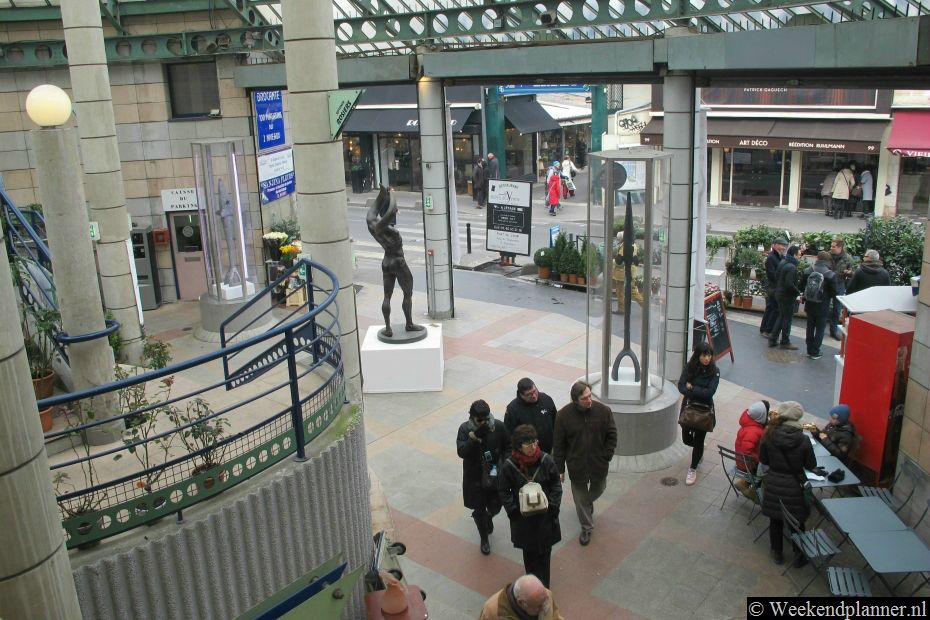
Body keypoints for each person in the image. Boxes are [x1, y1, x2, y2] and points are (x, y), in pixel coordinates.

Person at [552, 381, 617, 546]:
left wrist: (607, 455)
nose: (589, 400)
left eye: (590, 396)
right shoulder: (563, 416)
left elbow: (612, 434)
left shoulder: (604, 411)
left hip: (598, 464)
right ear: (575, 400)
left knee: (599, 488)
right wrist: (560, 468)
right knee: (579, 499)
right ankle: (586, 528)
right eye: (584, 398)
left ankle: (586, 505)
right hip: (577, 466)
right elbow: (559, 445)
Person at [499, 424, 562, 588]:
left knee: (545, 555)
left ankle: (544, 589)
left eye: (535, 442)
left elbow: (556, 484)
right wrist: (513, 511)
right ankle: (532, 587)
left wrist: (553, 507)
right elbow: (504, 490)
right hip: (524, 519)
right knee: (530, 555)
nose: (533, 447)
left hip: (545, 515)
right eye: (528, 444)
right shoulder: (509, 466)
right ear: (519, 446)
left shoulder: (545, 459)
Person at [759, 400, 816, 566]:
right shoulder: (803, 439)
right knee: (797, 522)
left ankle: (777, 553)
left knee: (775, 521)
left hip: (774, 482)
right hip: (795, 486)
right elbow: (810, 465)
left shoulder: (769, 434)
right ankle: (799, 556)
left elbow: (763, 459)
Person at [366, 186, 426, 338]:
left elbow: (371, 215)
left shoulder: (374, 229)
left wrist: (382, 195)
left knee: (387, 296)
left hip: (386, 261)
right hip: (398, 262)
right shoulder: (394, 233)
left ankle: (388, 328)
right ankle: (409, 323)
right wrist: (390, 195)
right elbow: (389, 214)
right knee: (408, 293)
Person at [457, 400, 509, 555]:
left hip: (493, 470)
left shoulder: (498, 426)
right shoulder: (465, 430)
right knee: (478, 509)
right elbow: (462, 452)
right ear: (472, 417)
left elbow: (508, 446)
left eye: (486, 419)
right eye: (480, 420)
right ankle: (484, 537)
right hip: (474, 475)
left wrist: (505, 463)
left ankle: (489, 516)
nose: (484, 423)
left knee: (497, 503)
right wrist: (473, 438)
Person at [677, 342, 720, 486]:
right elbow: (681, 386)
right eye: (704, 355)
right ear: (698, 355)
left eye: (709, 355)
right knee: (686, 438)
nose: (707, 358)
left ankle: (693, 468)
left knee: (699, 440)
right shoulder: (690, 367)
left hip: (704, 410)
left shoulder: (715, 371)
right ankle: (699, 448)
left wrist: (693, 387)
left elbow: (710, 393)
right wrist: (697, 390)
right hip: (688, 407)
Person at [799, 250, 838, 360]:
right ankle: (815, 351)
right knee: (820, 329)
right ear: (827, 261)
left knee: (810, 327)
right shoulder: (830, 275)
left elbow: (801, 286)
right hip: (823, 305)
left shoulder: (808, 271)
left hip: (810, 303)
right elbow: (834, 293)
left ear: (817, 258)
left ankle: (809, 349)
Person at [505, 378, 558, 454]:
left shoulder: (546, 399)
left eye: (534, 391)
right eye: (529, 394)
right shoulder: (512, 410)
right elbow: (509, 436)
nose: (533, 396)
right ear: (521, 395)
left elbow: (555, 422)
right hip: (528, 454)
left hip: (550, 449)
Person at [479, 574, 564, 620]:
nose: (544, 608)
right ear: (521, 602)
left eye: (544, 601)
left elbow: (555, 617)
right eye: (537, 606)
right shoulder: (491, 611)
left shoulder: (545, 595)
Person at [733, 400, 769, 497]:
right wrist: (760, 460)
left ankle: (744, 483)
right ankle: (754, 493)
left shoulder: (749, 424)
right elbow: (746, 452)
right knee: (768, 469)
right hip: (746, 464)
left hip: (741, 461)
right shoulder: (754, 431)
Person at [769, 244, 801, 350]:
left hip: (779, 293)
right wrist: (798, 292)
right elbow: (789, 284)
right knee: (787, 319)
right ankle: (785, 341)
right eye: (799, 253)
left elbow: (778, 277)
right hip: (787, 297)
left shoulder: (783, 262)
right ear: (795, 254)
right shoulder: (791, 267)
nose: (800, 255)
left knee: (781, 317)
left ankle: (773, 339)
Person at [759, 237, 787, 338]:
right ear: (774, 245)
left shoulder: (779, 256)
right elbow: (771, 274)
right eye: (781, 245)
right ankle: (767, 330)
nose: (783, 247)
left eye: (784, 246)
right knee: (775, 309)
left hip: (775, 287)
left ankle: (764, 328)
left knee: (770, 308)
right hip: (774, 287)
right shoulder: (771, 257)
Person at [828, 237, 854, 340]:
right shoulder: (828, 255)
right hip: (827, 284)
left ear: (840, 248)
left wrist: (849, 273)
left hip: (839, 285)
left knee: (837, 309)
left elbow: (853, 272)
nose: (831, 248)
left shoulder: (847, 258)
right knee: (824, 306)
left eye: (833, 246)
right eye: (831, 246)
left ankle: (833, 331)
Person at [612, 231, 643, 313]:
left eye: (619, 239)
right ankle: (644, 305)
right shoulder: (633, 244)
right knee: (631, 290)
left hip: (622, 273)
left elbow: (619, 261)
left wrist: (613, 261)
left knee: (621, 291)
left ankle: (622, 309)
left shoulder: (625, 246)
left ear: (622, 239)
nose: (618, 240)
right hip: (631, 272)